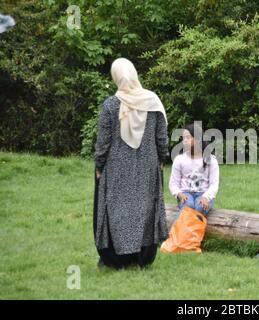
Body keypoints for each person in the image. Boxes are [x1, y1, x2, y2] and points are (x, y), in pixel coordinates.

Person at [93, 57, 169, 269]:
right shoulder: (152, 101)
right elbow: (162, 138)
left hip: (116, 167)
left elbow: (103, 141)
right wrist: (162, 159)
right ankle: (142, 258)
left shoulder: (110, 105)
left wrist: (99, 165)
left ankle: (118, 259)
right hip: (147, 166)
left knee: (117, 209)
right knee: (144, 207)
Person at [169, 123, 219, 218]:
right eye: (183, 138)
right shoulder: (179, 159)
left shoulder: (211, 160)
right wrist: (179, 194)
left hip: (204, 194)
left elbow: (214, 185)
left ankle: (177, 232)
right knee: (188, 205)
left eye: (188, 137)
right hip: (185, 193)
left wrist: (206, 197)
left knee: (200, 207)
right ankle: (181, 232)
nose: (185, 141)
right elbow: (173, 184)